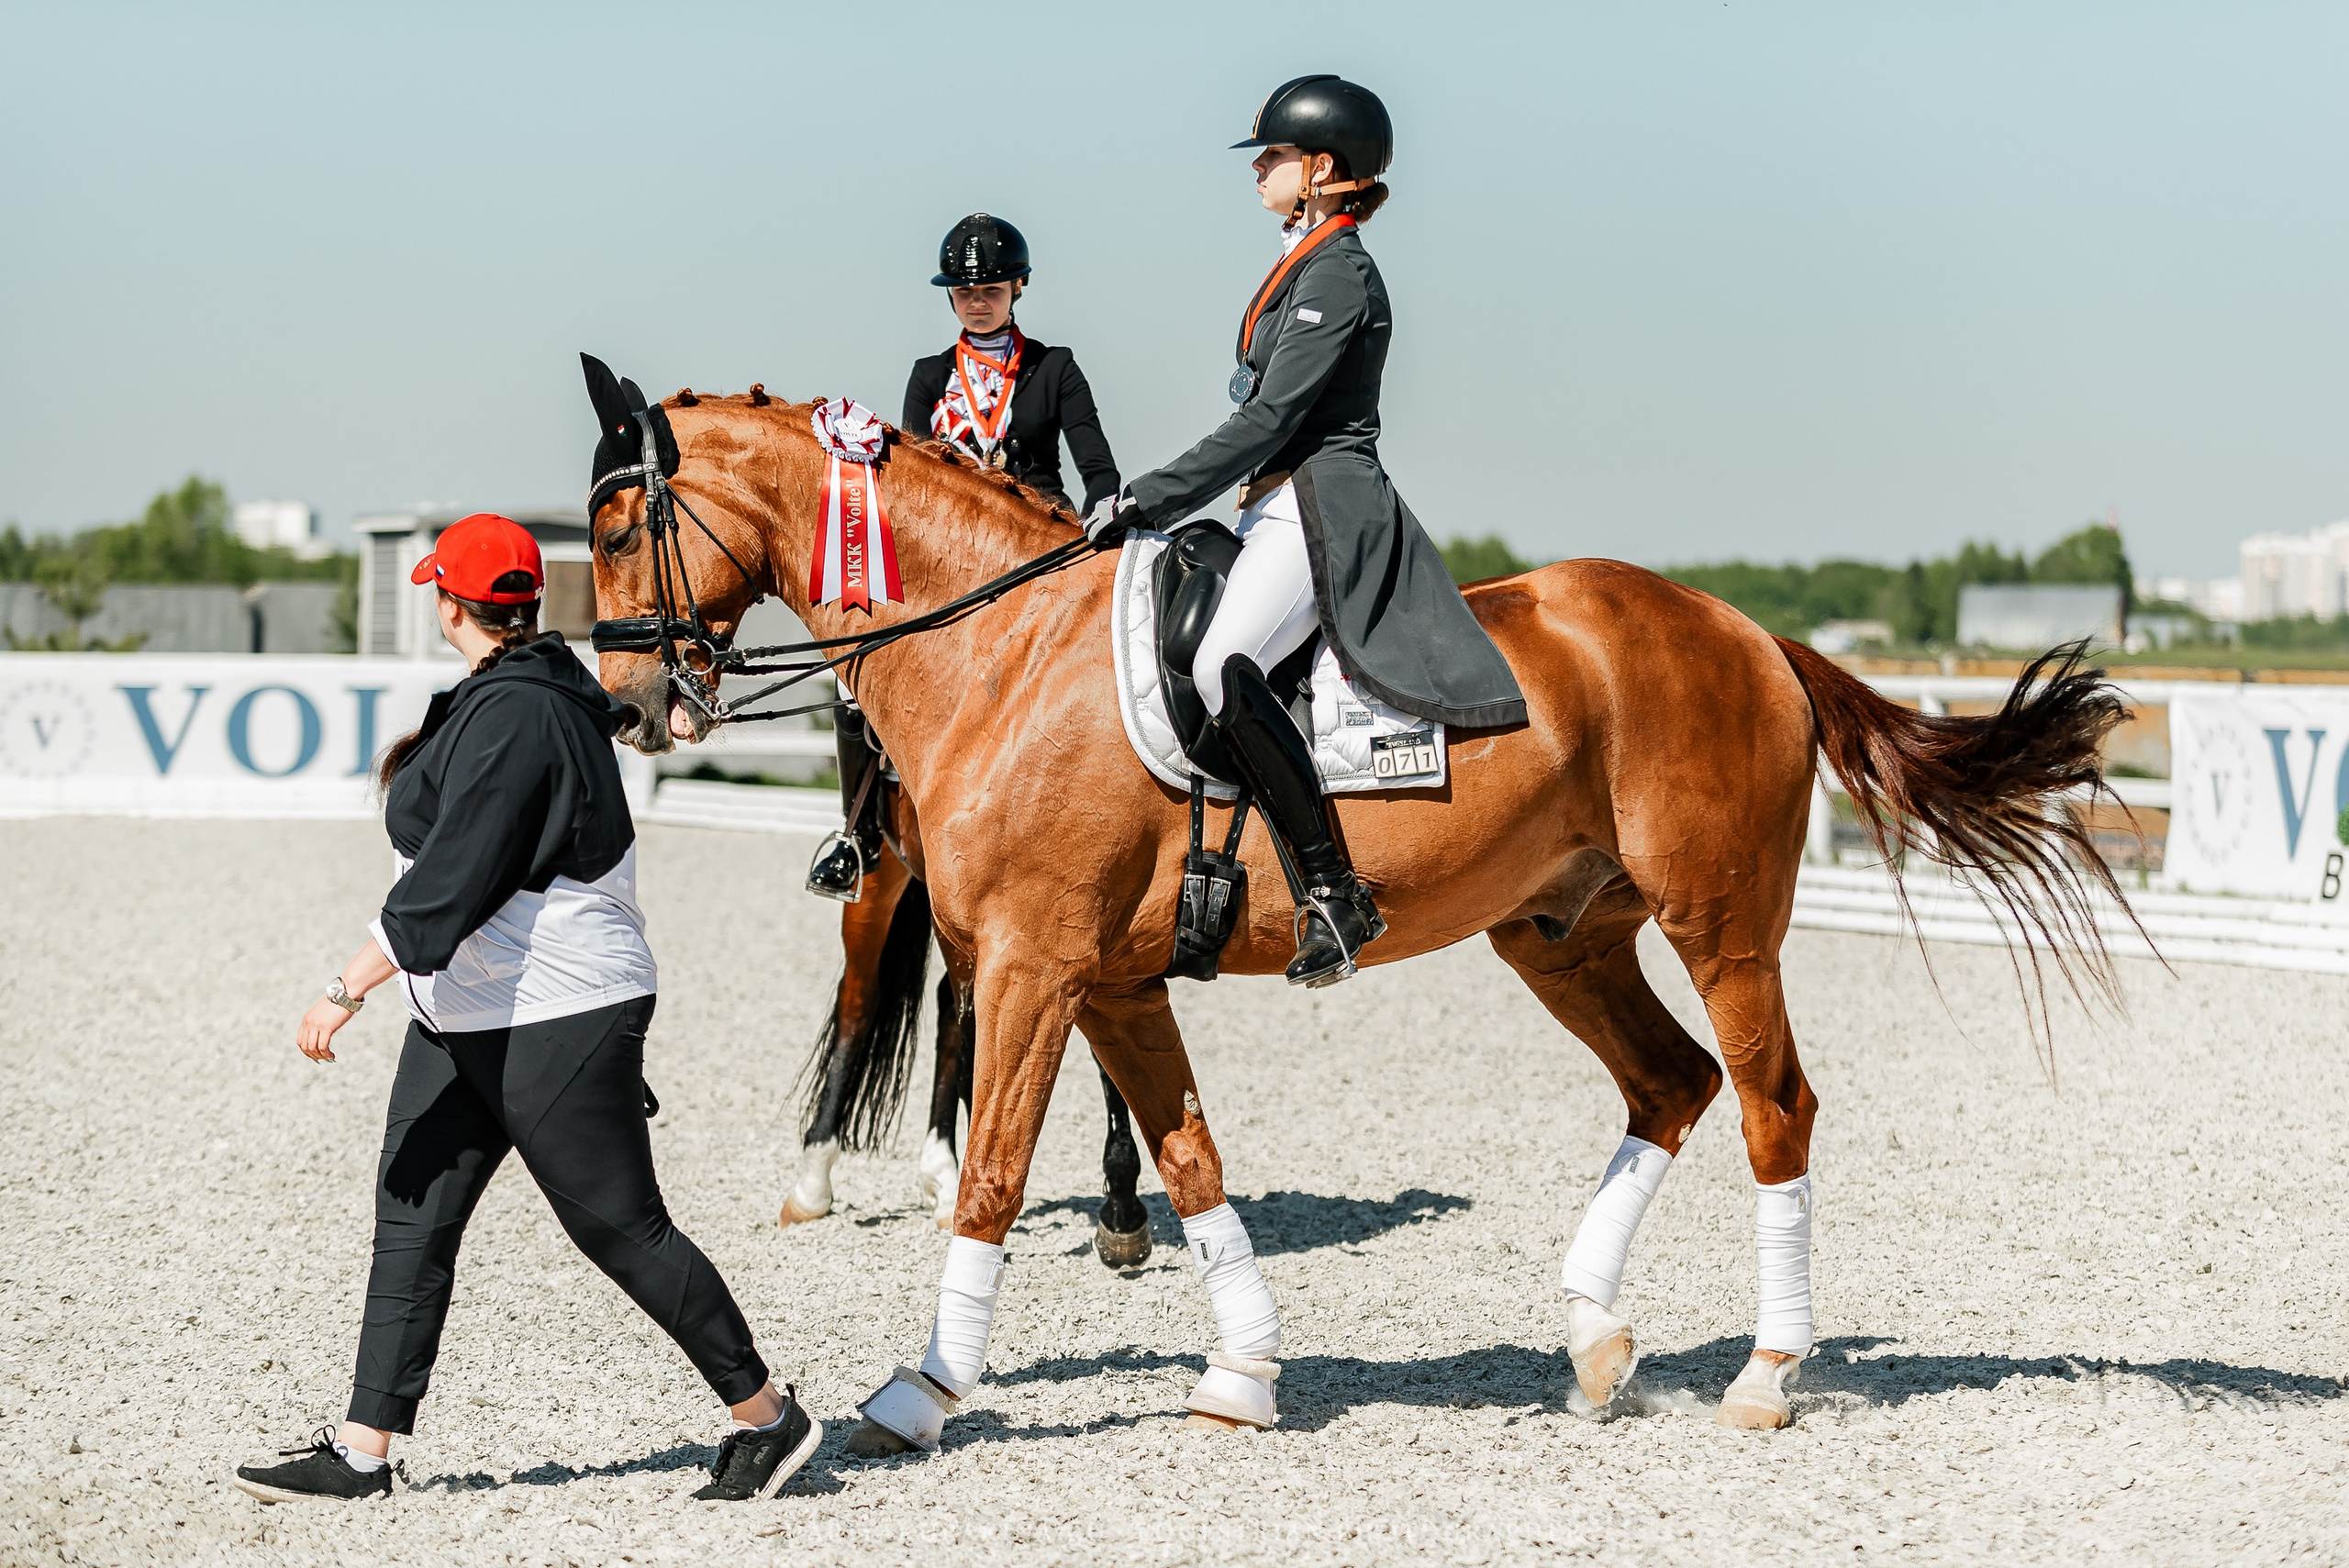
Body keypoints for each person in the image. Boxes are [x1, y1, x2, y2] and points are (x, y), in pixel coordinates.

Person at [231, 513, 819, 1506]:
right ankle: (363, 1449)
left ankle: (768, 1416)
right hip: (462, 1008)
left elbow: (457, 877)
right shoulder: (520, 691)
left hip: (558, 1006)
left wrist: (346, 985)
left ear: (449, 602)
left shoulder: (522, 712)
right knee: (412, 1212)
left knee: (619, 1227)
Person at [1084, 75, 1529, 987]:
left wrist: (1150, 497)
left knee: (1219, 666)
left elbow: (1272, 418)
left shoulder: (1338, 272)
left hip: (1321, 501)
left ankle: (1334, 890)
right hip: (1270, 501)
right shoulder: (1303, 261)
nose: (1259, 170)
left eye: (1275, 156)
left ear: (1323, 170)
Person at [805, 212, 1122, 902]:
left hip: (1034, 548)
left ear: (1018, 288)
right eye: (966, 291)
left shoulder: (1053, 367)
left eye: (993, 289)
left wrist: (1103, 507)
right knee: (852, 668)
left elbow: (1096, 463)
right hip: (947, 560)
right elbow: (913, 487)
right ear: (951, 297)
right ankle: (856, 835)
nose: (979, 301)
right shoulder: (928, 375)